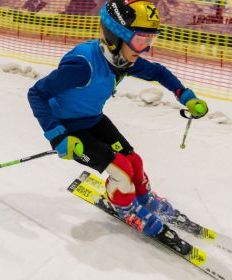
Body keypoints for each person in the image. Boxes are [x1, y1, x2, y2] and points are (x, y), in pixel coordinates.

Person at [28, 0, 208, 237]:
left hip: (93, 119)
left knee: (135, 162)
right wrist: (57, 136)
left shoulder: (122, 59)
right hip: (69, 128)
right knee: (121, 171)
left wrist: (185, 95)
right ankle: (123, 206)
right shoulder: (83, 66)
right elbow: (37, 93)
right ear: (116, 36)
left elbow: (158, 72)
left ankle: (143, 197)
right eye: (140, 40)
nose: (144, 49)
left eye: (150, 41)